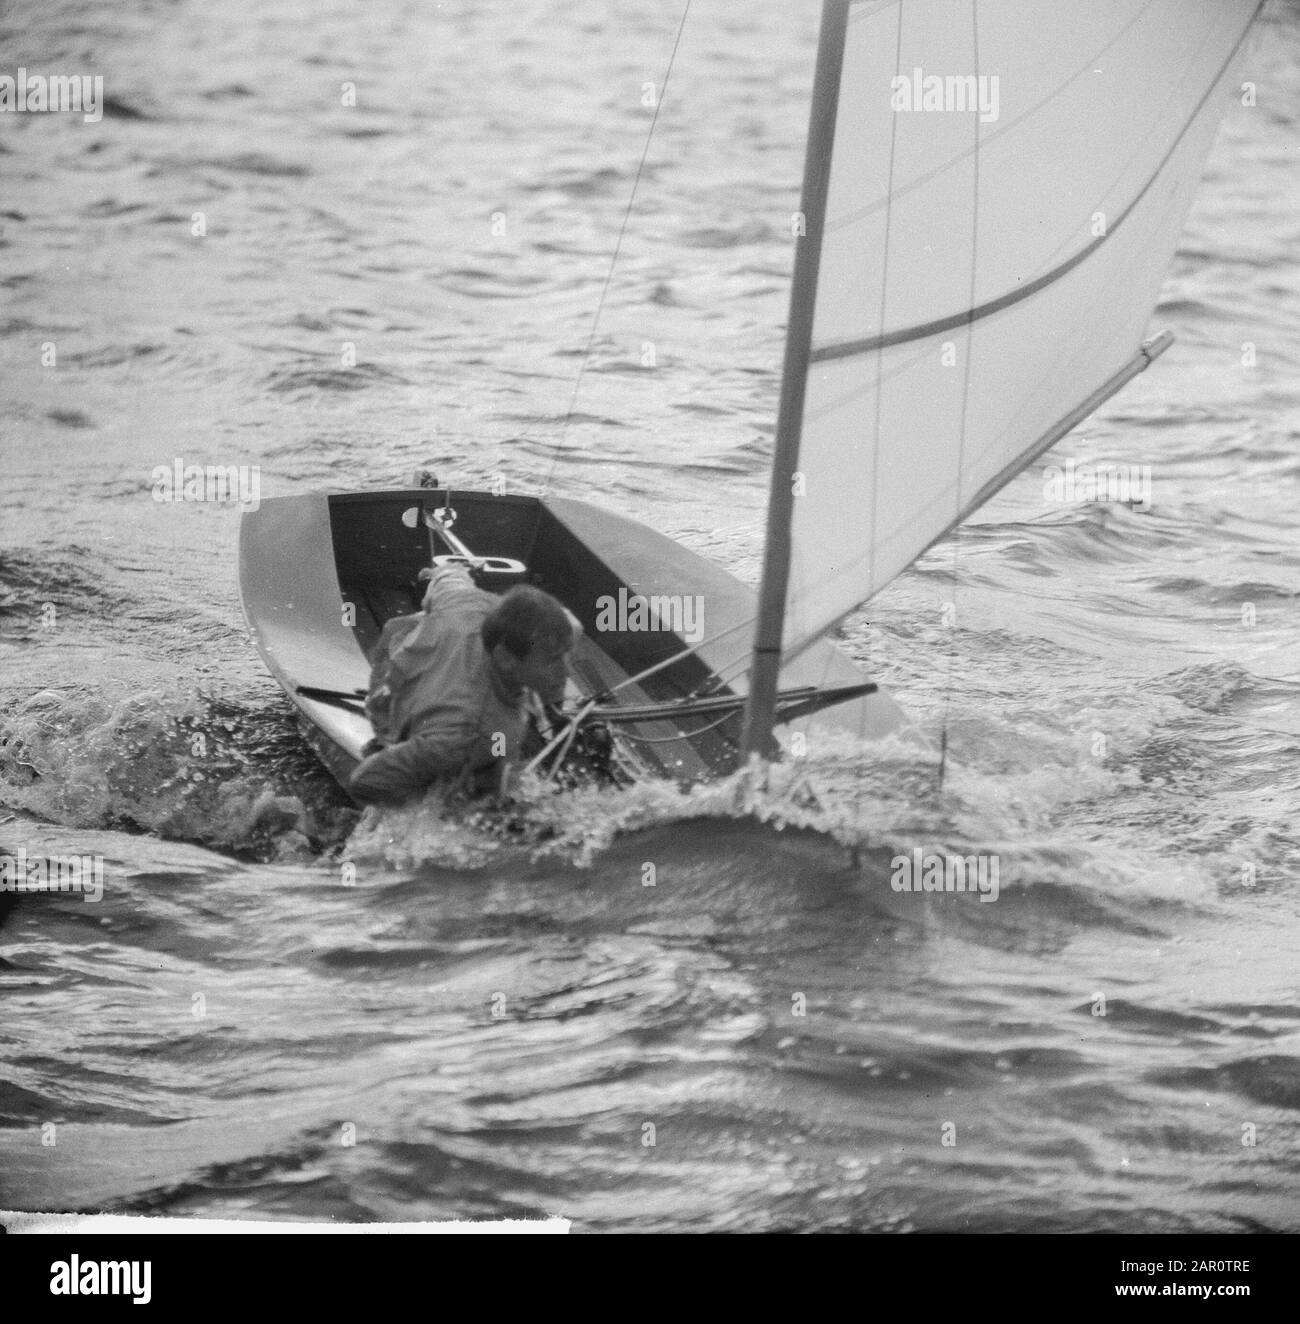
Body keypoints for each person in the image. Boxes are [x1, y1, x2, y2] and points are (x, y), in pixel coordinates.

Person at [348, 565, 576, 807]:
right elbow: (364, 780)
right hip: (402, 702)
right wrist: (429, 811)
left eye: (565, 655)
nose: (567, 671)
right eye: (552, 660)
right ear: (506, 658)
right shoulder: (465, 735)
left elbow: (451, 579)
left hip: (436, 656)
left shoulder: (473, 603)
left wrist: (442, 572)